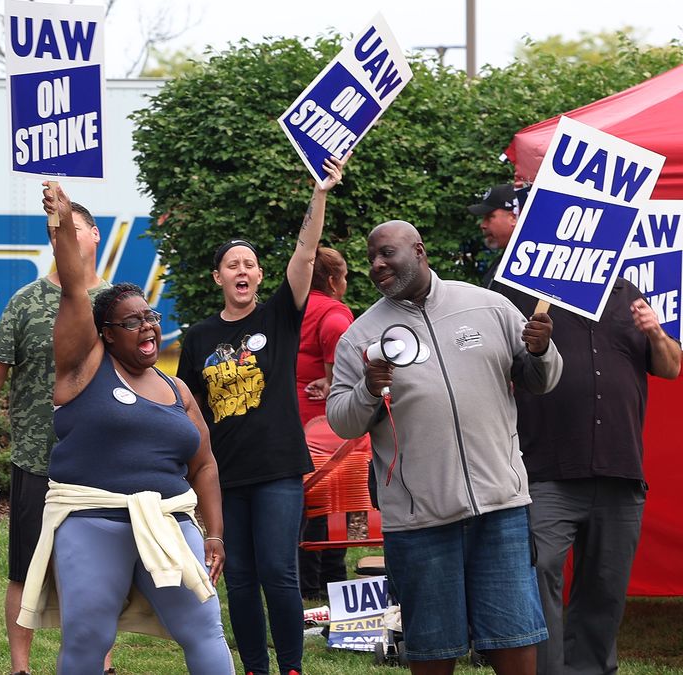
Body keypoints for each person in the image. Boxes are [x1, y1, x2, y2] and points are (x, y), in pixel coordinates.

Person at [326, 220, 562, 674]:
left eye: (387, 254)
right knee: (432, 650)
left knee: (515, 641)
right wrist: (368, 391)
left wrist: (542, 351)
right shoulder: (359, 335)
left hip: (500, 508)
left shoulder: (489, 306)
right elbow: (341, 420)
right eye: (372, 257)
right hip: (419, 522)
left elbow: (542, 381)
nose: (377, 265)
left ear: (418, 251)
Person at [18, 182, 232, 675]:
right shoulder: (83, 369)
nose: (147, 327)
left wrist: (215, 535)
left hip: (170, 524)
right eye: (132, 321)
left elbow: (204, 463)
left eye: (151, 317)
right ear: (106, 334)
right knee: (89, 636)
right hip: (94, 522)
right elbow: (74, 286)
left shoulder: (177, 391)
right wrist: (62, 222)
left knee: (204, 630)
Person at [472, 191, 683, 675]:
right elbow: (492, 362)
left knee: (605, 584)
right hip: (547, 469)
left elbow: (670, 367)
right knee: (538, 573)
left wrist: (655, 330)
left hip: (619, 470)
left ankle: (590, 669)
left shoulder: (631, 295)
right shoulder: (522, 291)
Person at [176, 155, 345, 675]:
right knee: (242, 578)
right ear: (218, 277)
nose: (242, 271)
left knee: (279, 572)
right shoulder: (200, 336)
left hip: (277, 471)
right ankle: (254, 668)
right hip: (224, 474)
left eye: (249, 264)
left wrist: (319, 194)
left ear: (260, 275)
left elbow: (305, 253)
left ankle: (290, 667)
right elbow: (189, 405)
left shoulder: (278, 316)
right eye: (233, 265)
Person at [0, 202, 112, 675]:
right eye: (57, 231)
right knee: (25, 569)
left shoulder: (119, 302)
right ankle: (20, 668)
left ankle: (101, 664)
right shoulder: (27, 301)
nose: (66, 239)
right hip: (37, 459)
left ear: (95, 235)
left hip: (102, 462)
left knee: (101, 572)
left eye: (74, 230)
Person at [295, 246, 353, 600]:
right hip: (324, 429)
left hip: (293, 425)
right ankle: (328, 586)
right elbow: (349, 372)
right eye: (344, 276)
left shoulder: (290, 307)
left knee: (306, 508)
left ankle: (311, 585)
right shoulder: (334, 314)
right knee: (331, 506)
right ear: (333, 280)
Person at [468, 182, 528, 288]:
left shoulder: (532, 265)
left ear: (514, 217)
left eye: (489, 217)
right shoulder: (504, 261)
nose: (483, 225)